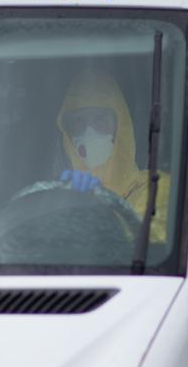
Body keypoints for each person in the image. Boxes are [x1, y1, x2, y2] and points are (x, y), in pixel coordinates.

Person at [55, 69, 170, 242]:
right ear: (67, 134)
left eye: (100, 120)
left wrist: (96, 211)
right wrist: (68, 202)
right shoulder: (57, 197)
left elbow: (153, 248)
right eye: (78, 122)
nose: (89, 133)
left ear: (121, 128)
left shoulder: (158, 188)